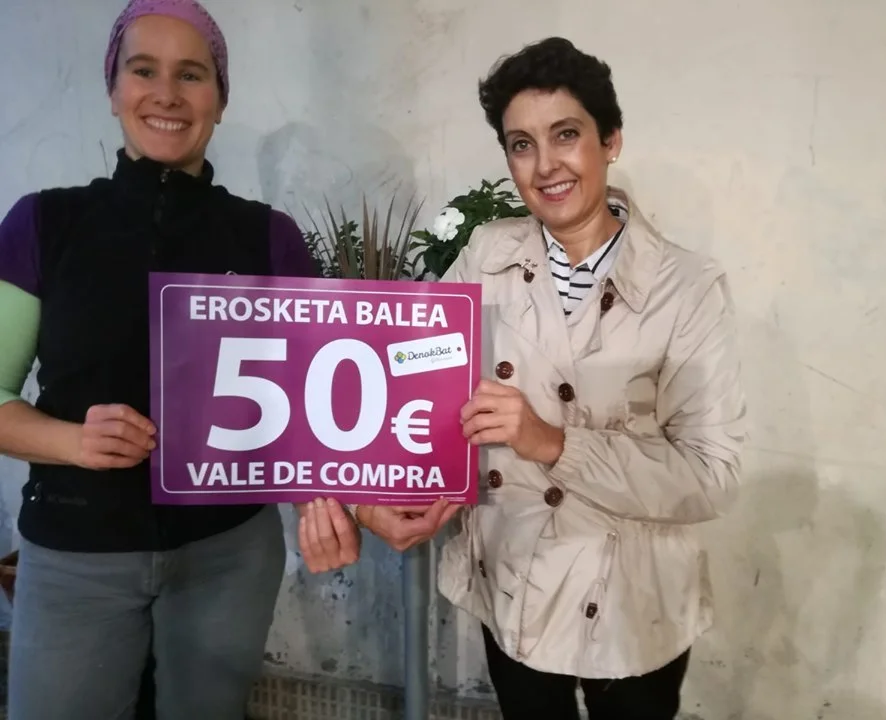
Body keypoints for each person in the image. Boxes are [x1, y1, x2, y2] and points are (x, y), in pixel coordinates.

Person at [366, 37, 747, 719]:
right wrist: (396, 490)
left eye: (566, 135)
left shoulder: (688, 288)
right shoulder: (486, 254)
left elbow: (710, 474)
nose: (545, 165)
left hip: (633, 611)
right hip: (515, 589)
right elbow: (417, 382)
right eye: (522, 144)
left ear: (611, 140)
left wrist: (553, 442)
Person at [0, 1, 359, 718]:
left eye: (192, 75)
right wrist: (72, 442)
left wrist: (329, 498)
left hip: (228, 554)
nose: (166, 94)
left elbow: (312, 412)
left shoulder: (270, 238)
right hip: (75, 553)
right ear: (113, 90)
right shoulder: (43, 222)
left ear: (220, 100)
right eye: (144, 71)